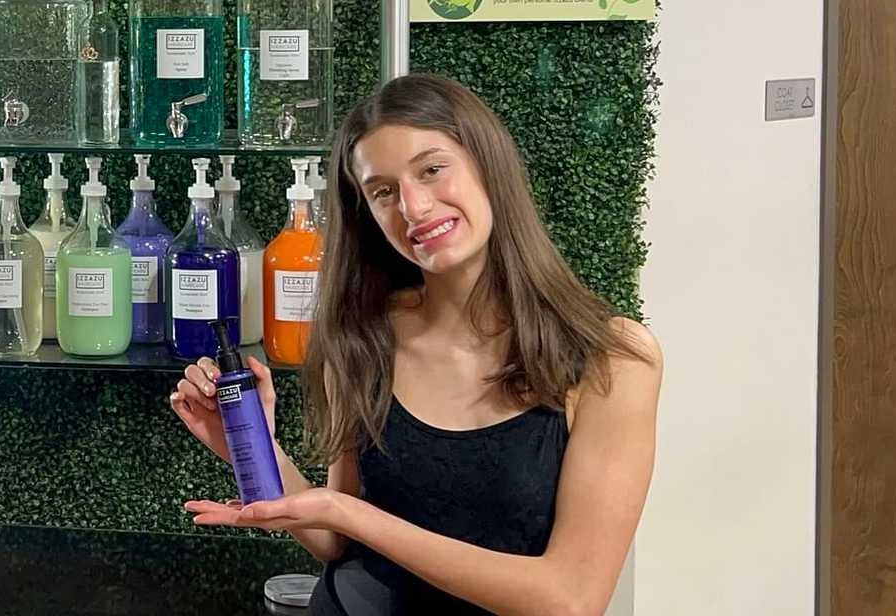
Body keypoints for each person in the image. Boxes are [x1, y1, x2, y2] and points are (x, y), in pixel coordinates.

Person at [170, 74, 661, 614]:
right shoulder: (364, 335)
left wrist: (349, 514)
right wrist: (256, 446)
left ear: (487, 164)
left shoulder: (610, 358)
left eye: (431, 170)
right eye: (383, 191)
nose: (415, 207)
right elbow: (336, 541)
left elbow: (570, 599)